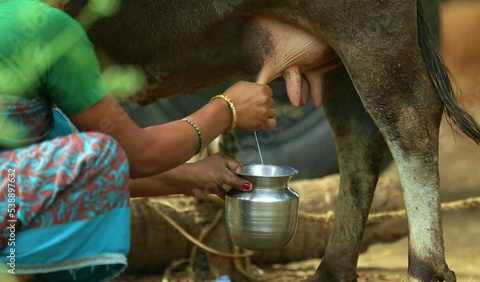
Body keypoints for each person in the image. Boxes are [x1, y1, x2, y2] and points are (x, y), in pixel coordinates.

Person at [0, 0, 277, 281]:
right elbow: (134, 155)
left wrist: (190, 177)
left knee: (60, 133)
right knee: (95, 152)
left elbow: (29, 178)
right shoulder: (46, 27)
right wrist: (226, 109)